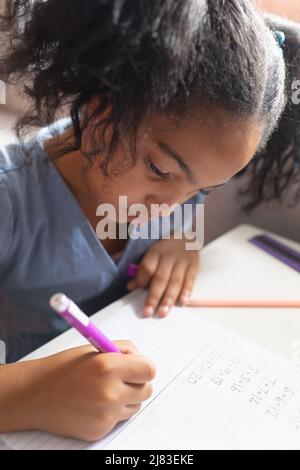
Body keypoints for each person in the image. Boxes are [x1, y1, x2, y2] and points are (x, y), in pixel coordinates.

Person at [0, 0, 297, 441]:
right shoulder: (12, 200)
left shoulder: (173, 190)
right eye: (160, 170)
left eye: (202, 190)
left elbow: (181, 209)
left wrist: (184, 242)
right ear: (103, 106)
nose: (170, 208)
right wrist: (26, 396)